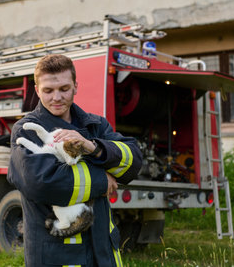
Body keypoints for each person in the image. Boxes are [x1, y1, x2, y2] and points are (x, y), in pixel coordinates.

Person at [8, 54, 142, 267]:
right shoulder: (26, 129)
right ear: (37, 90)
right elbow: (41, 182)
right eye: (48, 91)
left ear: (76, 86)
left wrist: (93, 147)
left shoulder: (95, 125)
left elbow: (133, 161)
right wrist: (102, 180)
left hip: (103, 253)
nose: (57, 97)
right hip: (58, 255)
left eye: (64, 88)